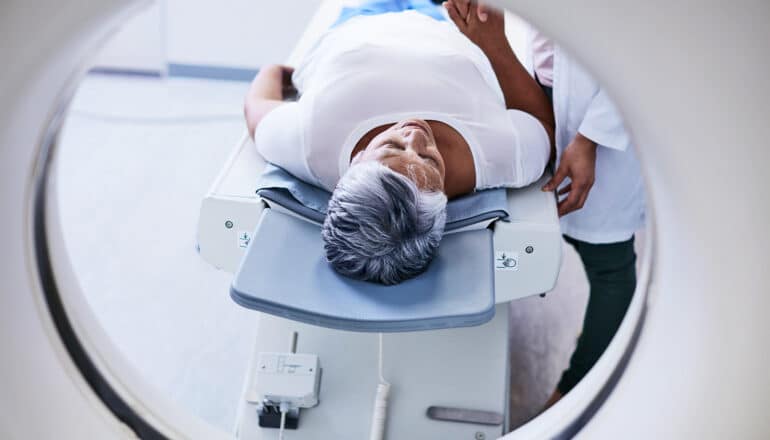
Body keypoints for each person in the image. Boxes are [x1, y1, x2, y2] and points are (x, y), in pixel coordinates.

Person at [244, 0, 554, 285]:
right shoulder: (501, 158)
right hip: (447, 27)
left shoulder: (308, 146)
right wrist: (493, 42)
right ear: (443, 199)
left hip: (359, 24)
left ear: (357, 161)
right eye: (431, 160)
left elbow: (256, 103)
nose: (417, 134)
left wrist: (286, 73)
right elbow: (542, 125)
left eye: (392, 147)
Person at [446, 0, 645, 407]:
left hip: (596, 105)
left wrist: (589, 138)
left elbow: (643, 49)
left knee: (610, 267)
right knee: (548, 221)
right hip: (546, 79)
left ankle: (574, 390)